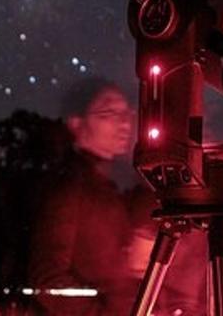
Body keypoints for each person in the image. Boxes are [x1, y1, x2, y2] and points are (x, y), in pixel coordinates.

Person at [29, 77, 139, 316]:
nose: (124, 122)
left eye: (126, 112)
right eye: (108, 113)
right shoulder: (69, 189)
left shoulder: (106, 189)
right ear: (76, 124)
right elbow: (48, 280)